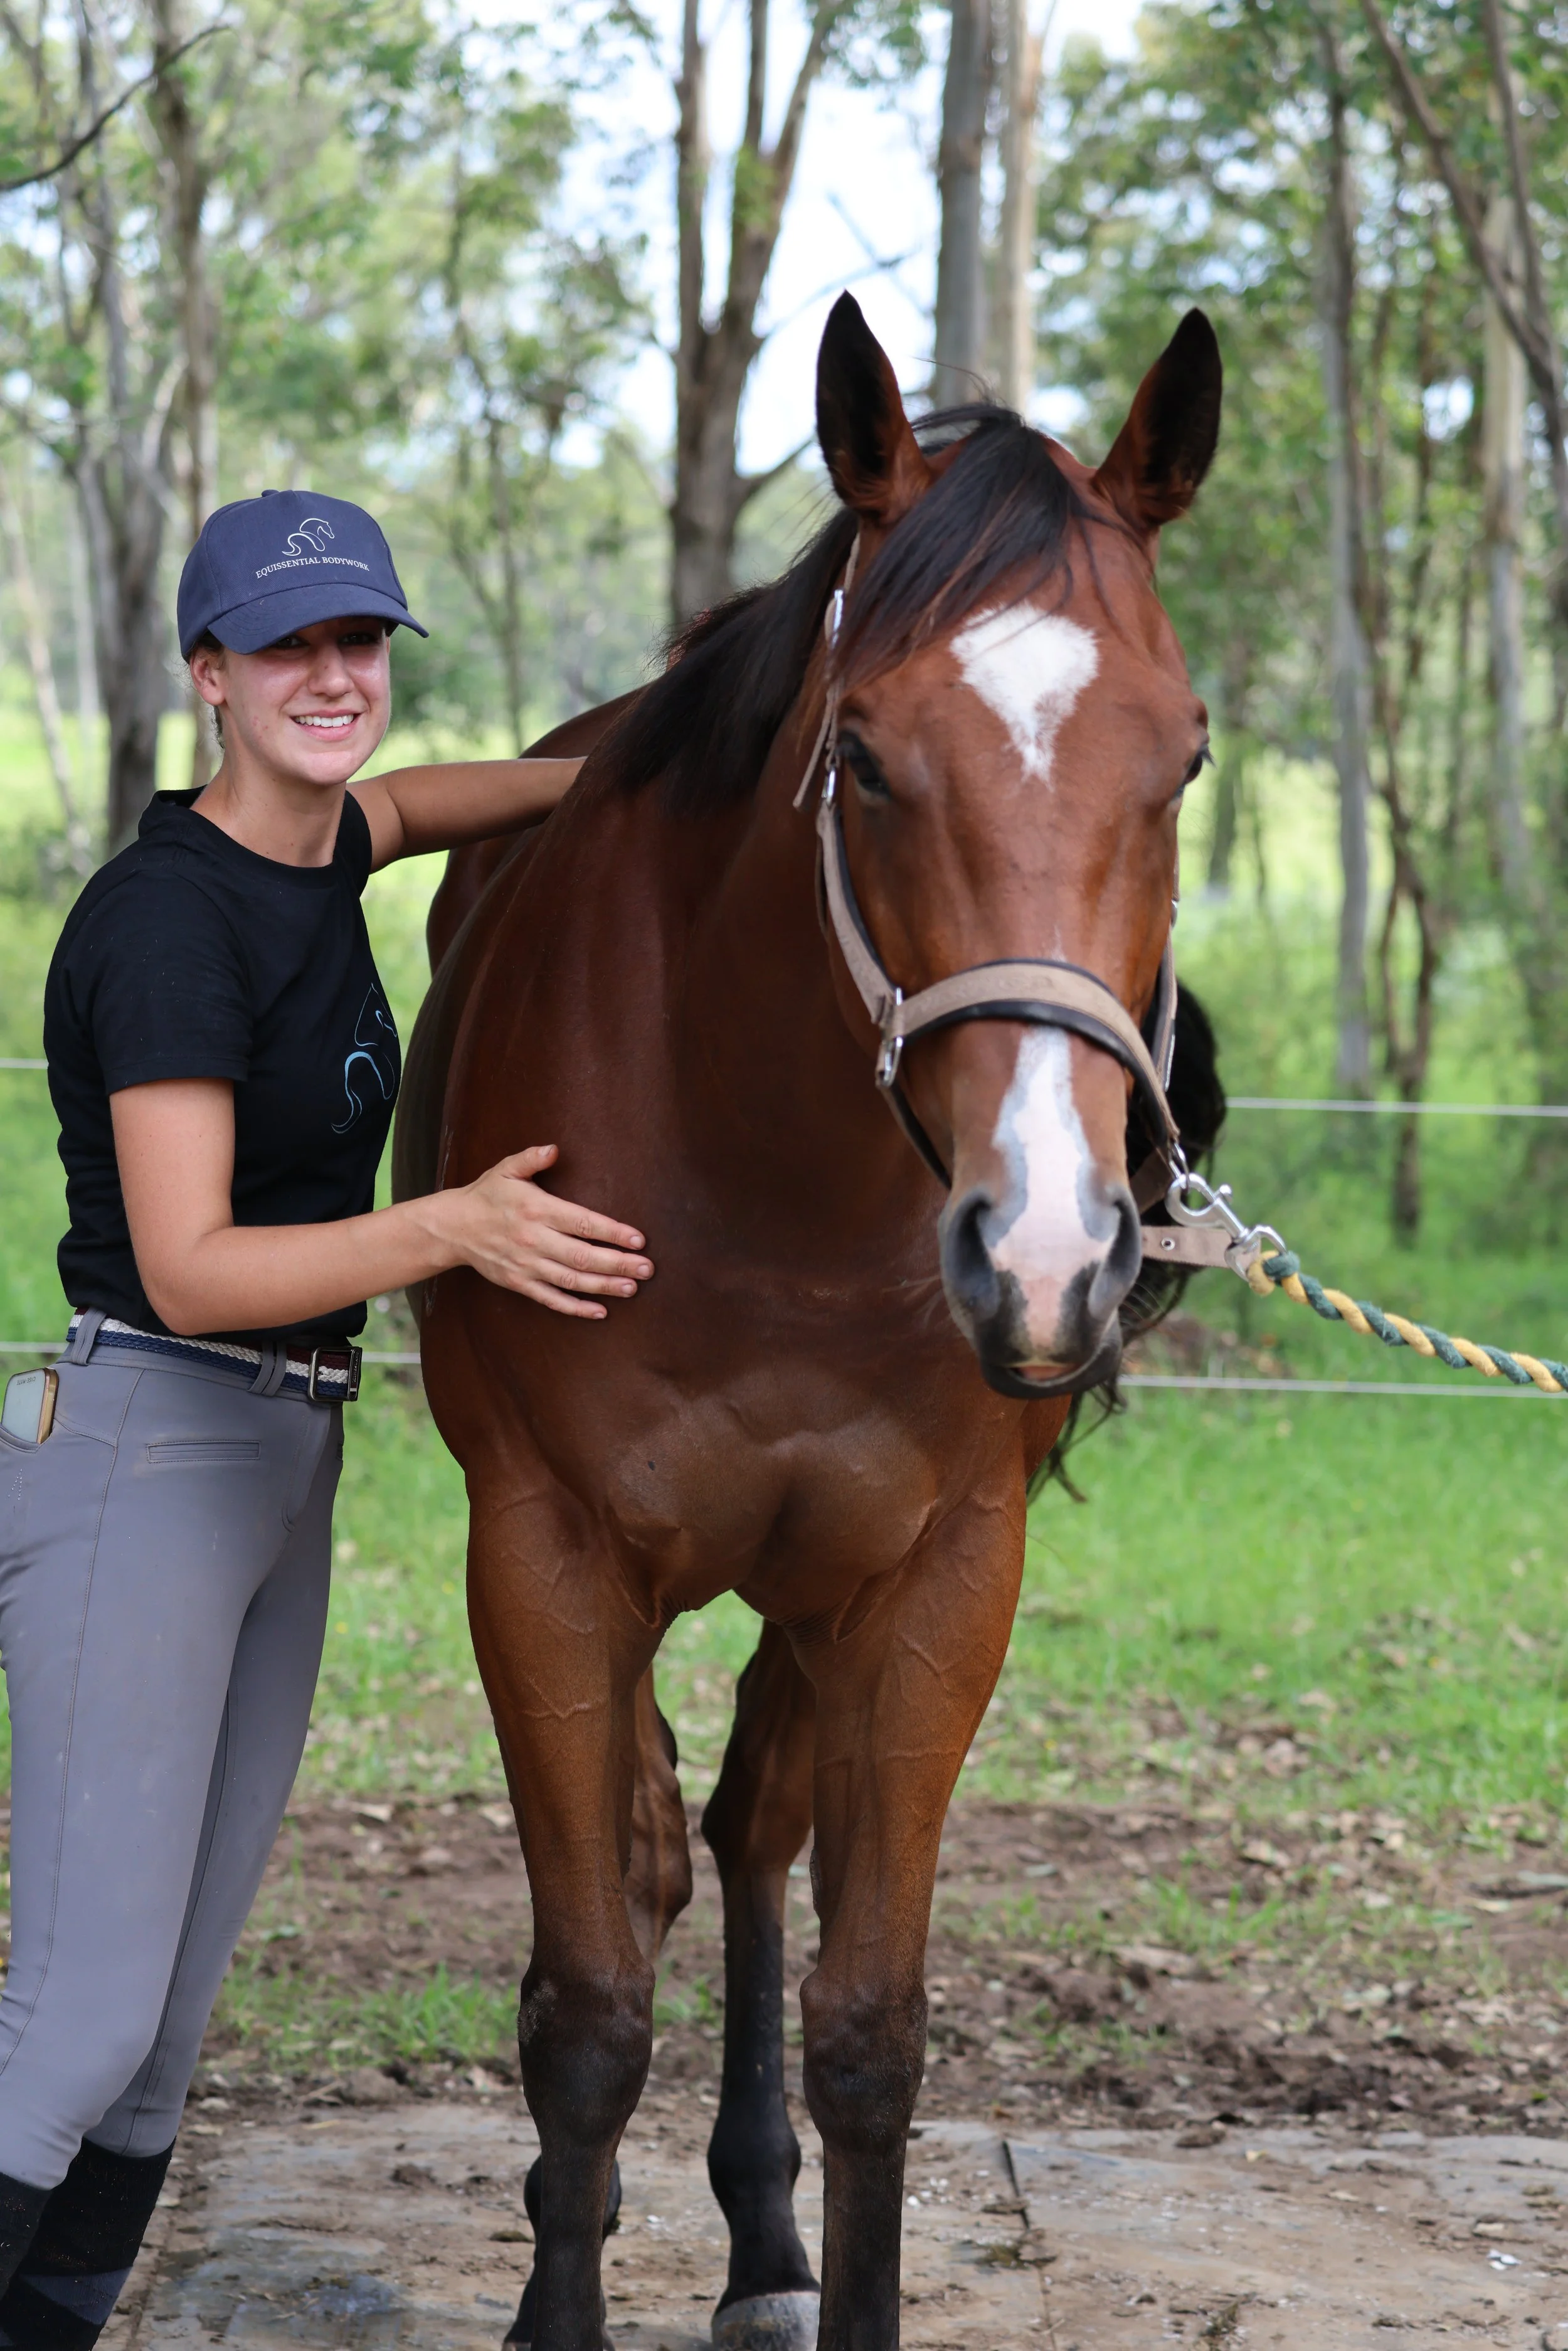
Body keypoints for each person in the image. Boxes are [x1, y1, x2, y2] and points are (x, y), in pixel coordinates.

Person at [0, 489, 652, 2345]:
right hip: (147, 1448)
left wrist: (630, 764)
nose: (335, 676)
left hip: (279, 1460)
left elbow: (431, 802)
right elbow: (194, 1264)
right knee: (75, 2027)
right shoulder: (166, 923)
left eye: (359, 642)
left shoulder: (321, 846)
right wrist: (455, 1223)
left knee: (159, 2041)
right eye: (288, 647)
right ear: (208, 676)